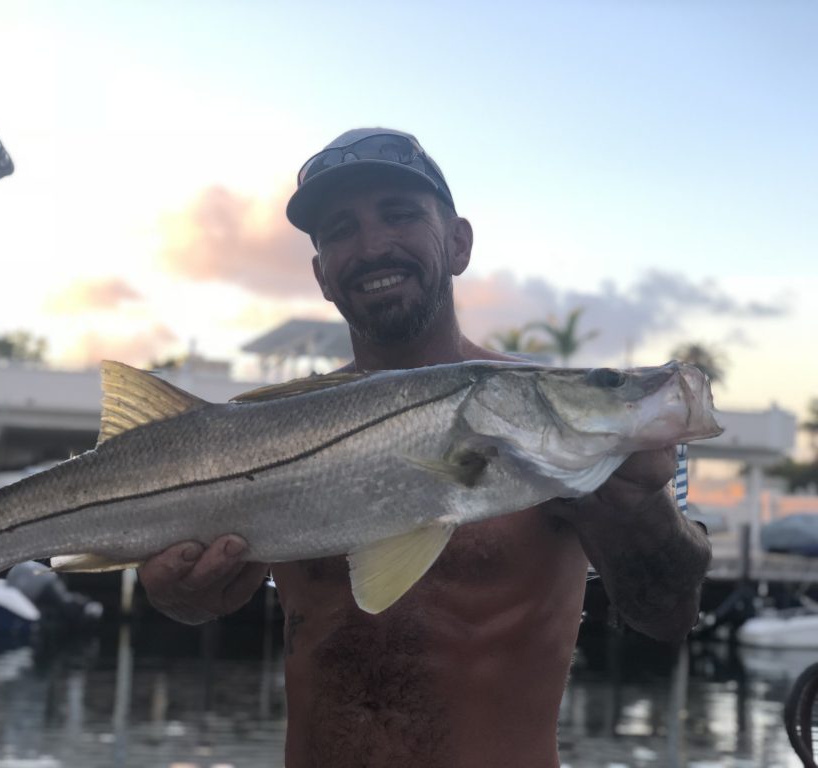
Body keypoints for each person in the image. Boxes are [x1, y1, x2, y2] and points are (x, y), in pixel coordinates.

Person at [139, 128, 711, 767]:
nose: (373, 245)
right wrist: (183, 599)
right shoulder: (276, 426)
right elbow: (210, 600)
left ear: (460, 243)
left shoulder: (548, 414)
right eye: (339, 230)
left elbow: (668, 617)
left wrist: (641, 508)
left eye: (401, 214)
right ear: (321, 275)